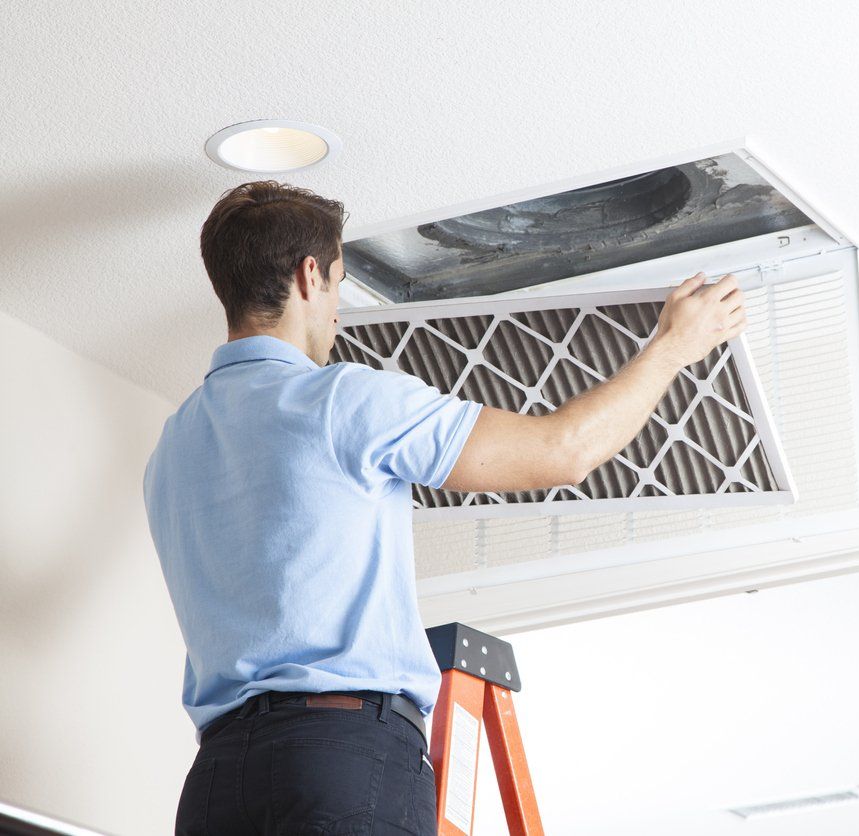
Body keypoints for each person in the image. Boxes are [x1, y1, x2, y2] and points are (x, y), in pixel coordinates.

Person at [144, 180, 748, 835]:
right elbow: (563, 450)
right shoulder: (345, 400)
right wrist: (672, 350)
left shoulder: (172, 448)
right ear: (309, 275)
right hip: (336, 760)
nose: (338, 311)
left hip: (214, 789)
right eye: (340, 283)